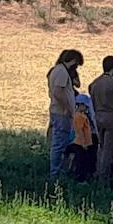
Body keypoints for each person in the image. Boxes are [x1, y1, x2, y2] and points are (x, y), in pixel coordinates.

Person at [89, 55, 113, 184]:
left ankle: (107, 173)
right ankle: (102, 177)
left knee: (102, 147)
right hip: (112, 118)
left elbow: (92, 102)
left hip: (99, 117)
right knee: (109, 150)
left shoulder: (95, 83)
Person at [48, 49, 83, 178]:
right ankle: (55, 173)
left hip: (59, 112)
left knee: (60, 142)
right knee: (59, 143)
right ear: (73, 60)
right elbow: (58, 92)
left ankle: (57, 171)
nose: (77, 67)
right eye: (77, 63)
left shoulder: (56, 70)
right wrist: (69, 109)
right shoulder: (62, 72)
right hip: (62, 113)